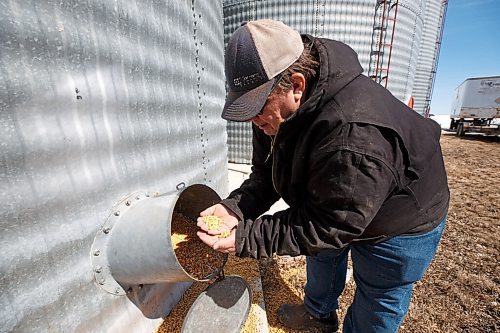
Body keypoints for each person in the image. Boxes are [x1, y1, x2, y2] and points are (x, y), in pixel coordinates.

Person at [197, 19, 449, 333]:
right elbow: (265, 175)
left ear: (297, 86)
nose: (251, 118)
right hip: (337, 198)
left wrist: (248, 237)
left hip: (402, 217)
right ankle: (319, 316)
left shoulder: (355, 136)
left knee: (378, 298)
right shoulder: (273, 113)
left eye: (257, 107)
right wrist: (233, 208)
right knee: (323, 254)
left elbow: (330, 225)